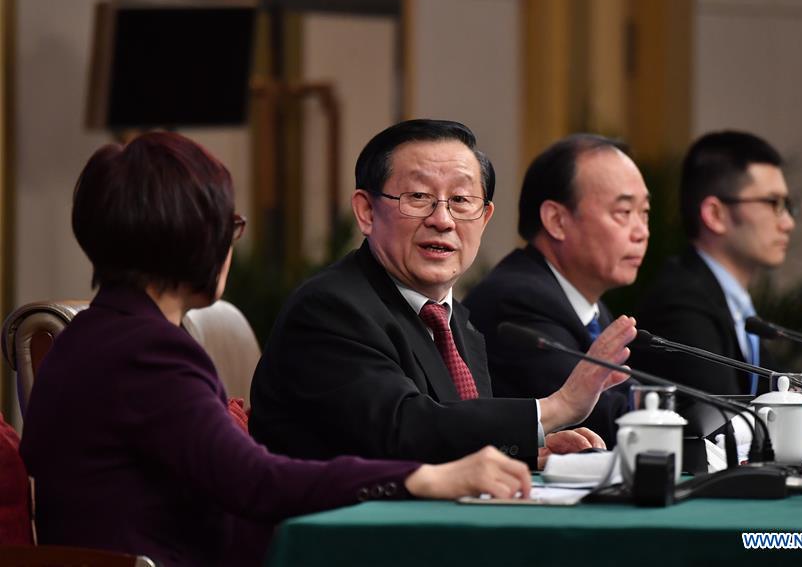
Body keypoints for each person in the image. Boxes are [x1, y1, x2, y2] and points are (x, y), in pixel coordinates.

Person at [19, 132, 532, 567]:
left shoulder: (99, 336)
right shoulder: (145, 351)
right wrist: (425, 476)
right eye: (230, 226)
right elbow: (255, 480)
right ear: (197, 237)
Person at [250, 119, 636, 467]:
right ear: (366, 211)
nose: (442, 219)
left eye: (461, 200)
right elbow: (403, 430)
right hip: (340, 536)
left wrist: (534, 452)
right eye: (418, 197)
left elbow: (446, 436)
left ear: (484, 218)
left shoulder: (456, 321)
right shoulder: (331, 309)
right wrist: (557, 407)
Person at [630, 130, 802, 431]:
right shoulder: (681, 301)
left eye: (788, 207)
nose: (788, 223)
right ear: (715, 214)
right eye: (773, 203)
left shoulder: (733, 303)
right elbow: (722, 425)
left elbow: (768, 394)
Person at [464, 134, 649, 446]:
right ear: (557, 220)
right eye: (623, 212)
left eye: (645, 213)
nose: (641, 231)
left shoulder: (590, 307)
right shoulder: (517, 299)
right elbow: (600, 417)